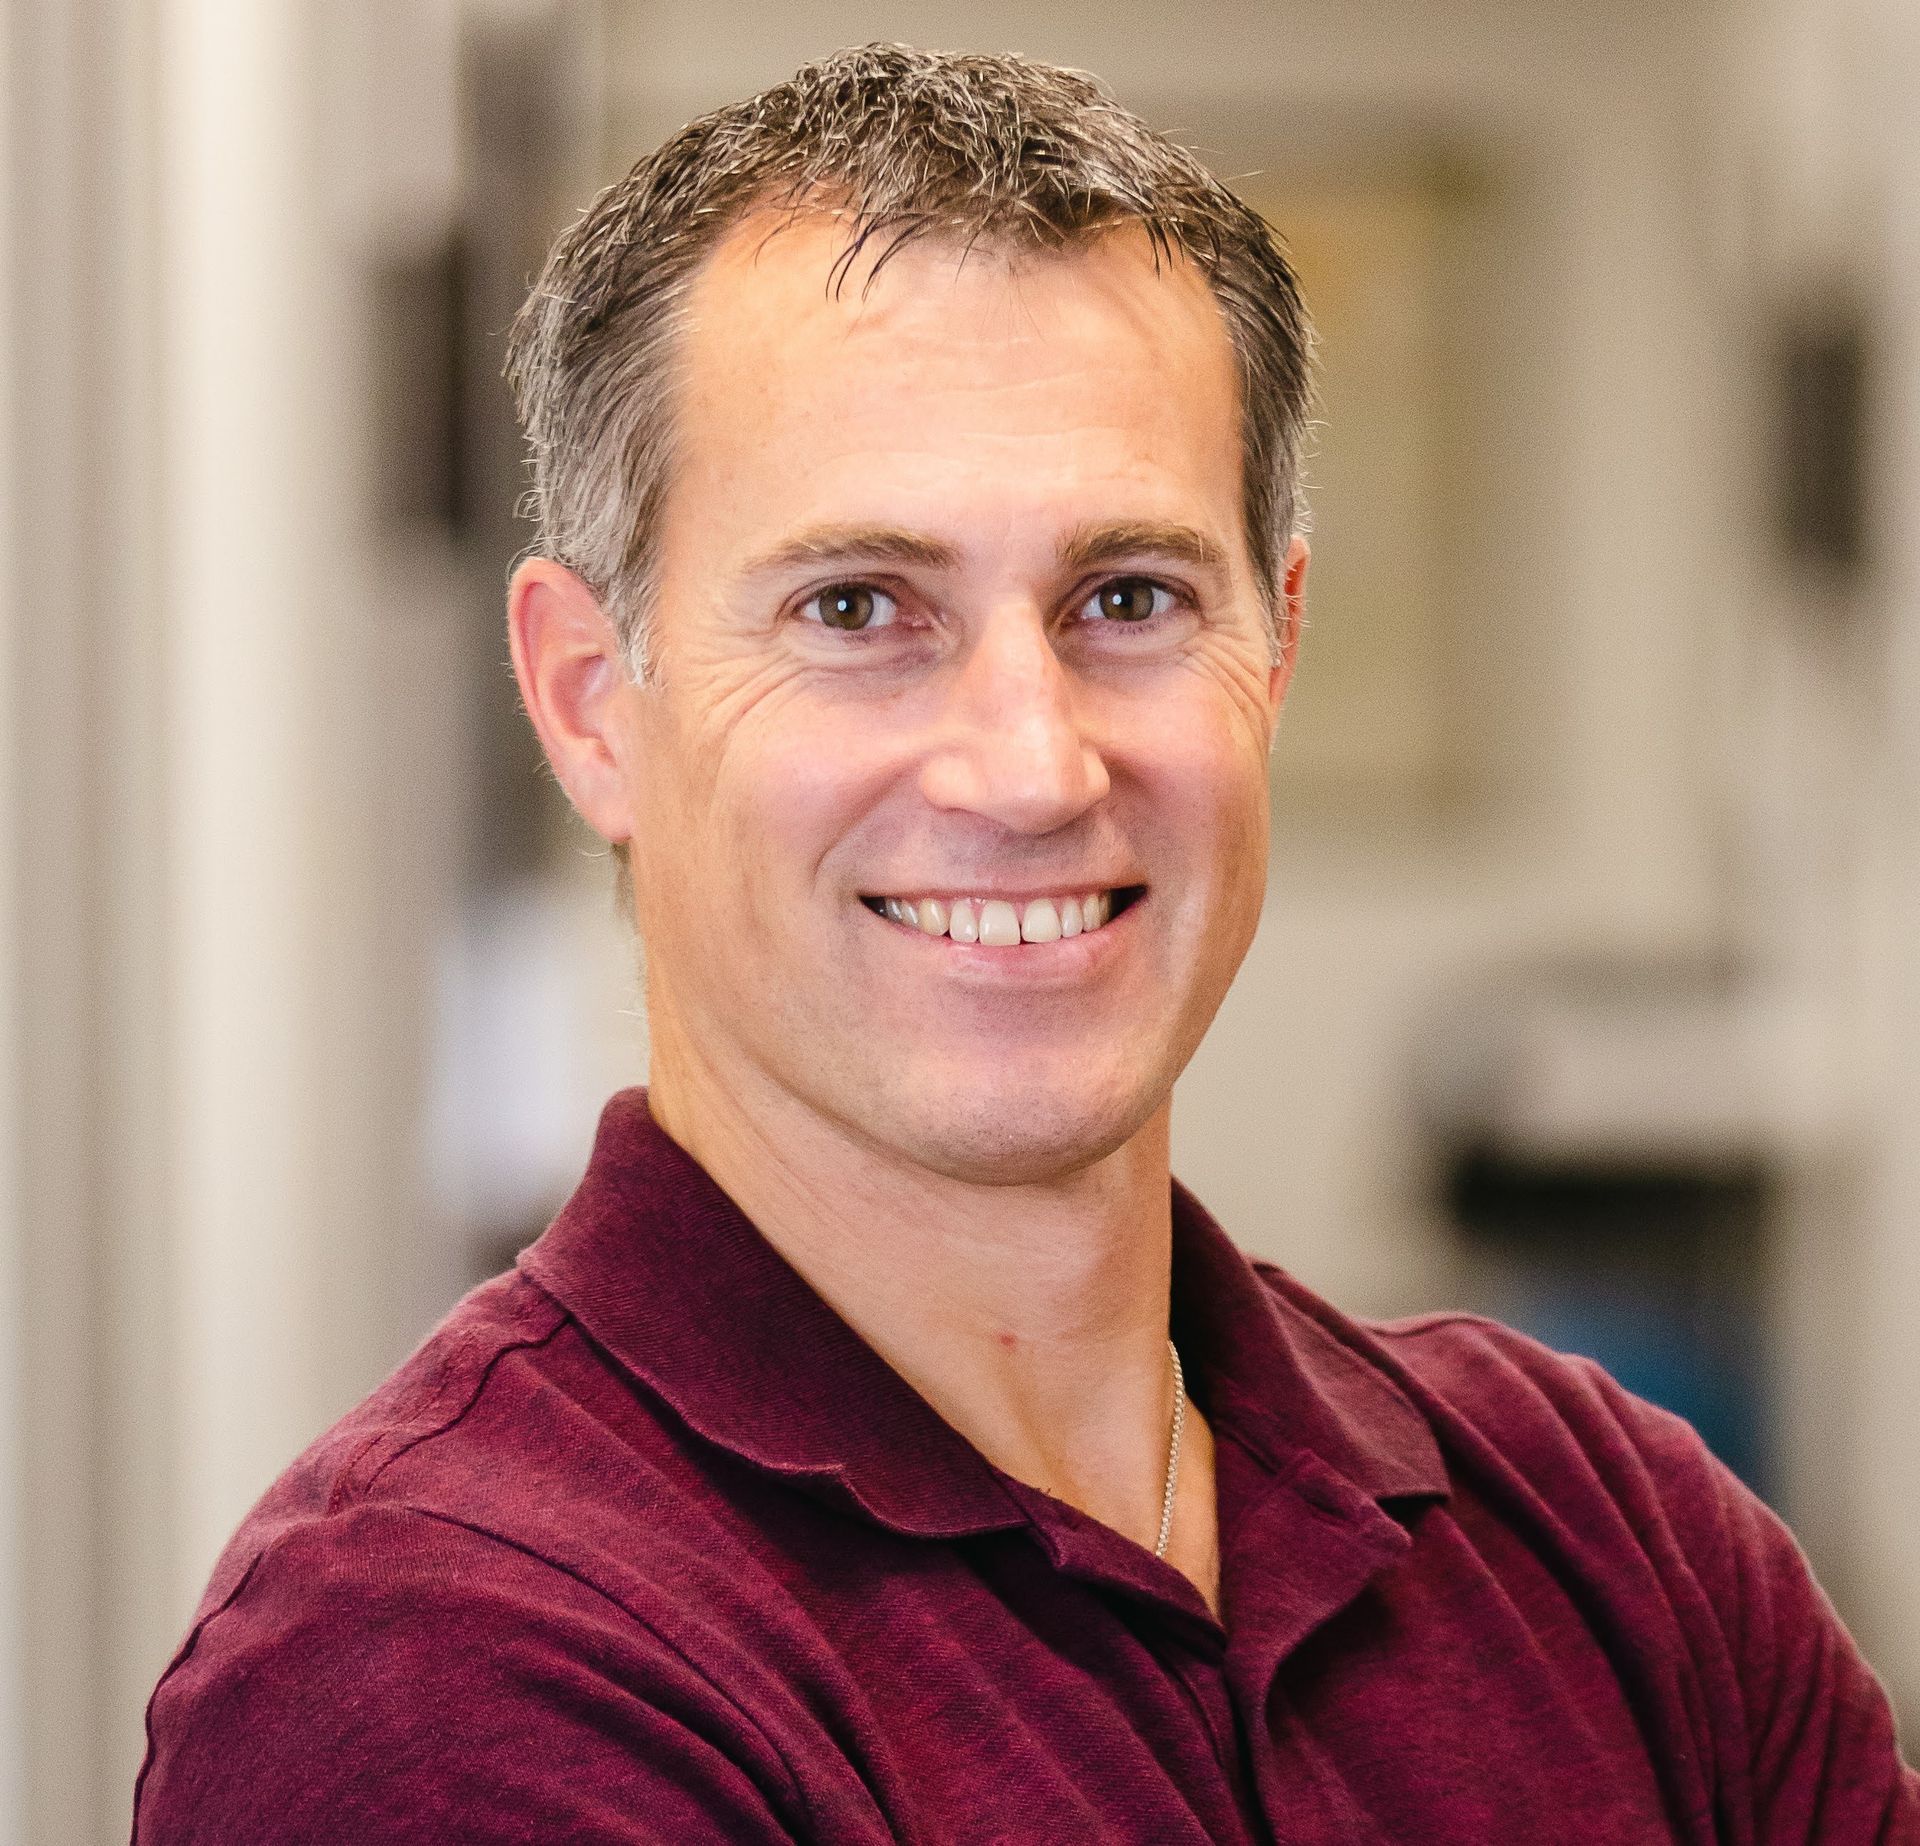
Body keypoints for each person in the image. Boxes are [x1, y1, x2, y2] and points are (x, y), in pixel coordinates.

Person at [133, 42, 1917, 1844]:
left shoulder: (1622, 1545)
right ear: (593, 705)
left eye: (1127, 599)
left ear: (1275, 652)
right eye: (859, 608)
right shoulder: (437, 1666)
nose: (1032, 762)